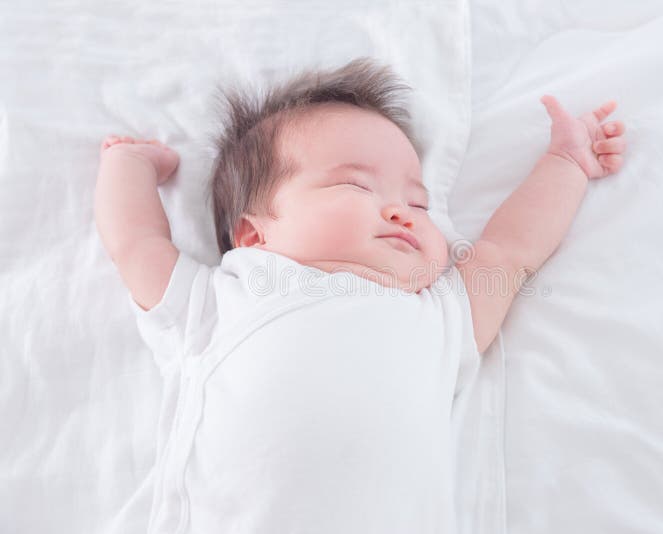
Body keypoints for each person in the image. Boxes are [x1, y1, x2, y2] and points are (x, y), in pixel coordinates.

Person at [94, 57, 626, 533]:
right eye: (355, 186)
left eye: (419, 205)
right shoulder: (223, 302)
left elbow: (510, 252)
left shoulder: (440, 314)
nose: (401, 212)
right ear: (254, 236)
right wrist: (130, 167)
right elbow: (136, 243)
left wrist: (567, 165)